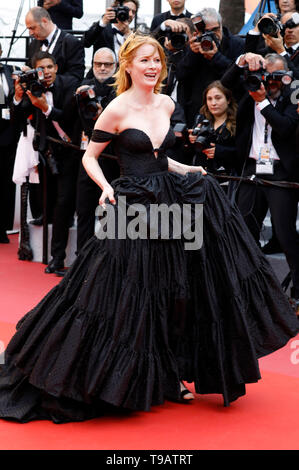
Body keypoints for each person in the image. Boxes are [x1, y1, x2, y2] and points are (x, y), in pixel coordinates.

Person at [0, 34, 298, 424]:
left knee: (173, 290)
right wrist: (106, 188)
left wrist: (188, 168)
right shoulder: (116, 109)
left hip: (171, 201)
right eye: (144, 60)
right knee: (122, 292)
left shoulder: (167, 102)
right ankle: (112, 376)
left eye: (157, 60)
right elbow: (91, 157)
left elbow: (160, 157)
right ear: (129, 65)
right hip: (132, 207)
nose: (153, 66)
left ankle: (170, 374)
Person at [222, 52, 299, 314]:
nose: (272, 81)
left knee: (286, 235)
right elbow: (225, 82)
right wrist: (242, 59)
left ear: (288, 77)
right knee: (244, 232)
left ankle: (297, 294)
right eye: (268, 75)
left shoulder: (291, 98)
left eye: (278, 76)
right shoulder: (253, 86)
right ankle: (248, 291)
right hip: (251, 170)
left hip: (281, 174)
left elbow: (285, 127)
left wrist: (263, 102)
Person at [13, 51, 80, 274]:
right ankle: (53, 257)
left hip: (70, 151)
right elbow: (20, 115)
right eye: (42, 69)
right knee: (50, 201)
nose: (47, 72)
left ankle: (58, 258)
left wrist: (44, 107)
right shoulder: (34, 87)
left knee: (63, 203)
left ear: (56, 68)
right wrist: (19, 95)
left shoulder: (70, 84)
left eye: (50, 67)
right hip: (46, 152)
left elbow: (68, 117)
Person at [75, 47, 120, 252]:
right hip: (88, 157)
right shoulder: (83, 89)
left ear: (115, 66)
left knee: (110, 212)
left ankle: (108, 260)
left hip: (113, 160)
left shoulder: (121, 90)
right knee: (84, 209)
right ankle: (81, 258)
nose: (102, 68)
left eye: (107, 64)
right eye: (98, 64)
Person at [174, 8, 245, 126]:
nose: (212, 35)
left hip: (231, 114)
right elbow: (180, 75)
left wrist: (216, 58)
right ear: (199, 32)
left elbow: (239, 78)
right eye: (207, 31)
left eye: (215, 29)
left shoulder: (237, 44)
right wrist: (192, 53)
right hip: (198, 112)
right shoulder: (193, 45)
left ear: (221, 25)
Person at [25, 6, 85, 88]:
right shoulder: (33, 45)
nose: (30, 33)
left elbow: (76, 77)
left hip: (62, 97)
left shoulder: (72, 43)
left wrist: (51, 80)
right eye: (28, 29)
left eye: (32, 28)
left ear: (44, 21)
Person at [188, 80, 237, 176]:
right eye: (209, 99)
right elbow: (189, 153)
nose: (213, 103)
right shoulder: (200, 119)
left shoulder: (237, 122)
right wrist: (190, 140)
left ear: (228, 100)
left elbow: (243, 153)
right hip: (200, 177)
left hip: (227, 178)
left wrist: (220, 151)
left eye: (218, 98)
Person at [0, 44, 20, 243]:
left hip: (8, 135)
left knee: (7, 182)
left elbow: (15, 101)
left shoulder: (10, 71)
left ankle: (3, 227)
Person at [83, 1, 139, 67]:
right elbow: (85, 42)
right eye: (127, 10)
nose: (130, 14)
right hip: (102, 73)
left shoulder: (135, 35)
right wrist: (103, 22)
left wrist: (128, 34)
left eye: (133, 12)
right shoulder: (102, 28)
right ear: (116, 9)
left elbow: (138, 56)